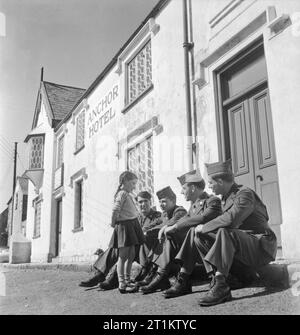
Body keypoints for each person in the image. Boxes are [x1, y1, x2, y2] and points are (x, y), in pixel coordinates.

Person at [191, 159, 277, 306]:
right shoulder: (225, 198)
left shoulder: (244, 194)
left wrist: (204, 226)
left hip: (260, 246)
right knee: (200, 237)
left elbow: (231, 219)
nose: (209, 187)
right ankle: (225, 278)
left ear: (220, 181)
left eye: (211, 183)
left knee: (226, 232)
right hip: (244, 246)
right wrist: (202, 230)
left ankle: (221, 285)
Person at [141, 170, 222, 294]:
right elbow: (185, 219)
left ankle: (176, 278)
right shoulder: (193, 206)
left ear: (193, 188)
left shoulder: (213, 201)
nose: (181, 192)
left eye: (184, 188)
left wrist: (174, 227)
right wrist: (167, 228)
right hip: (199, 249)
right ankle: (168, 276)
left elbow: (202, 218)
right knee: (170, 234)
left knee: (190, 231)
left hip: (215, 250)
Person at [78, 190, 161, 290]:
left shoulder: (157, 215)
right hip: (134, 248)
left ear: (150, 202)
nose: (143, 204)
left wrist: (140, 233)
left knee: (127, 245)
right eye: (140, 202)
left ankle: (113, 280)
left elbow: (155, 229)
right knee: (117, 247)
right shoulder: (135, 217)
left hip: (147, 253)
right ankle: (100, 275)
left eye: (145, 201)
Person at [136, 186, 187, 288]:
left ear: (173, 201)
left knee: (165, 236)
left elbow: (170, 223)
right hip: (170, 253)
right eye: (159, 202)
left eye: (164, 201)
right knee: (151, 237)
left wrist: (160, 229)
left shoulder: (180, 211)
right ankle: (152, 272)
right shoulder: (164, 214)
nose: (161, 205)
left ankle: (157, 275)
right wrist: (146, 231)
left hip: (180, 253)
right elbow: (156, 224)